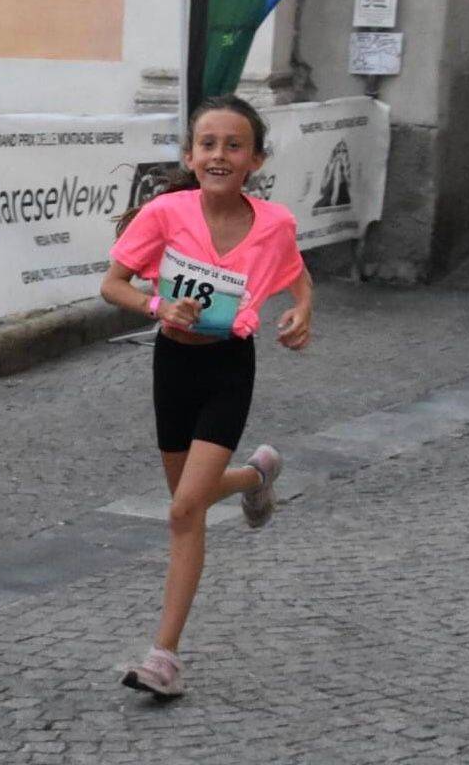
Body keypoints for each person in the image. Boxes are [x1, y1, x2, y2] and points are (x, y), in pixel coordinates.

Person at [100, 94, 313, 700]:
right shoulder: (167, 213)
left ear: (256, 159)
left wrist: (302, 310)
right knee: (188, 502)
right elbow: (111, 284)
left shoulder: (274, 223)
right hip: (174, 365)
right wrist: (157, 305)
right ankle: (255, 478)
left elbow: (295, 272)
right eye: (209, 144)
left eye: (234, 145)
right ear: (191, 156)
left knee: (181, 511)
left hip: (228, 368)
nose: (220, 154)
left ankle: (163, 657)